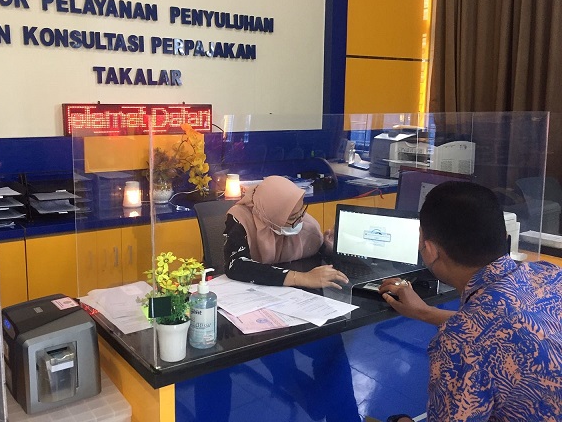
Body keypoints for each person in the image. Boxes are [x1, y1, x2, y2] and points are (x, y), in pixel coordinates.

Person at [379, 181, 562, 422]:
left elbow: (482, 334)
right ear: (504, 236)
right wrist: (425, 312)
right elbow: (502, 327)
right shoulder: (549, 274)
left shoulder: (459, 345)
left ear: (430, 250)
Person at [223, 175, 348, 289]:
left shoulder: (307, 225)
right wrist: (302, 278)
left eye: (301, 211)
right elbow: (235, 265)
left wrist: (328, 249)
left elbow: (316, 257)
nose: (300, 220)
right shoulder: (241, 219)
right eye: (292, 217)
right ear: (272, 215)